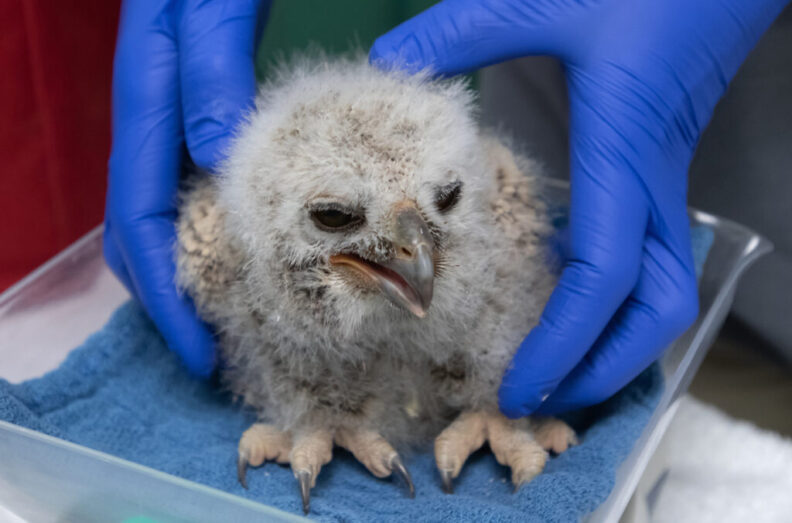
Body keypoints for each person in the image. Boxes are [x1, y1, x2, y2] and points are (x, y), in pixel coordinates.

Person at [104, 0, 789, 418]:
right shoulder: (228, 233)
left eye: (445, 201)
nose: (417, 250)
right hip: (557, 71)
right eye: (336, 216)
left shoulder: (495, 198)